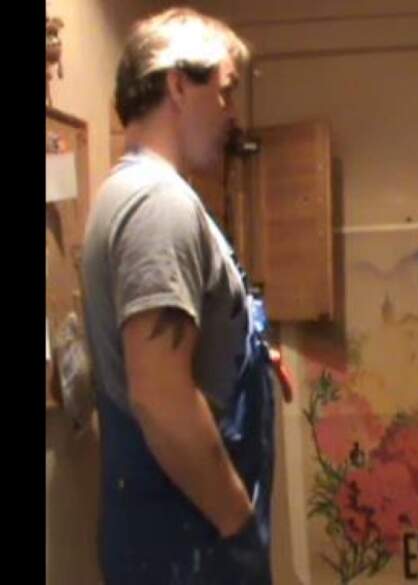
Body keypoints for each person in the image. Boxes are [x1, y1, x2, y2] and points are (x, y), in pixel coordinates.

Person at [81, 8, 289, 584]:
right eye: (224, 92)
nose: (232, 114)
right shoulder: (157, 205)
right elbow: (161, 398)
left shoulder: (141, 192)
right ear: (177, 85)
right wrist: (239, 526)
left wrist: (243, 352)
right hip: (188, 545)